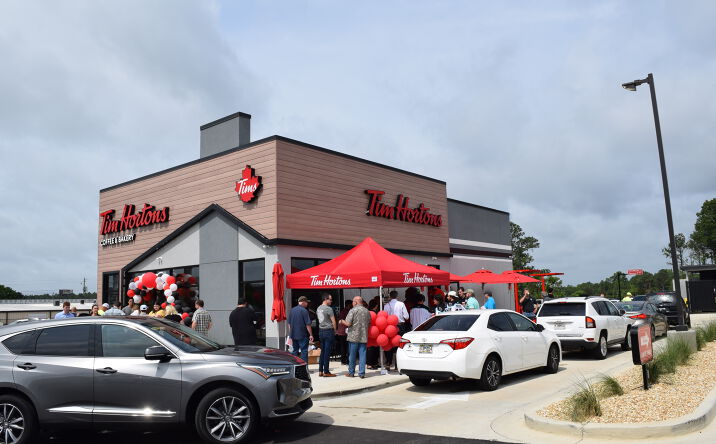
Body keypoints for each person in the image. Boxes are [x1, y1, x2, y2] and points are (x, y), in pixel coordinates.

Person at [340, 296, 370, 378]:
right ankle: (362, 373)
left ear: (356, 302)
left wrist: (341, 321)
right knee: (362, 355)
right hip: (363, 336)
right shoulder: (367, 311)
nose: (352, 303)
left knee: (352, 355)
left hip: (353, 336)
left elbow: (348, 323)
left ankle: (351, 372)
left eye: (353, 302)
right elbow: (369, 322)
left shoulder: (352, 310)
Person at [384, 290, 410, 371]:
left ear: (390, 296)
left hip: (389, 327)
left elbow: (384, 316)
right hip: (400, 326)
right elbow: (406, 317)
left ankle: (388, 363)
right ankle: (397, 364)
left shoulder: (386, 305)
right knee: (399, 345)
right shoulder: (401, 304)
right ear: (397, 296)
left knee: (389, 345)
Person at [316, 293, 337, 377]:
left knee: (323, 351)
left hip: (321, 331)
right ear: (325, 299)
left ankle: (320, 370)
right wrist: (335, 331)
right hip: (328, 331)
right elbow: (334, 321)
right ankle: (326, 371)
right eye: (330, 299)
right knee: (327, 352)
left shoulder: (318, 308)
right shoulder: (329, 309)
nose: (331, 301)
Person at [287, 296, 313, 362]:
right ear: (303, 302)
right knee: (304, 351)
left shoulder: (292, 310)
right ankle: (304, 368)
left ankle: (295, 368)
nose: (307, 304)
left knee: (295, 351)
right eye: (306, 302)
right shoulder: (304, 311)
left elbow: (289, 324)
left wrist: (291, 334)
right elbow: (308, 324)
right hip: (303, 335)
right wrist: (311, 334)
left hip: (294, 335)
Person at [335, 300, 352, 365]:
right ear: (348, 305)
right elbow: (343, 321)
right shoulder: (346, 312)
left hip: (341, 332)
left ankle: (344, 360)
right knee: (346, 347)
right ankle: (345, 360)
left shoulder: (343, 311)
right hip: (344, 332)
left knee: (344, 347)